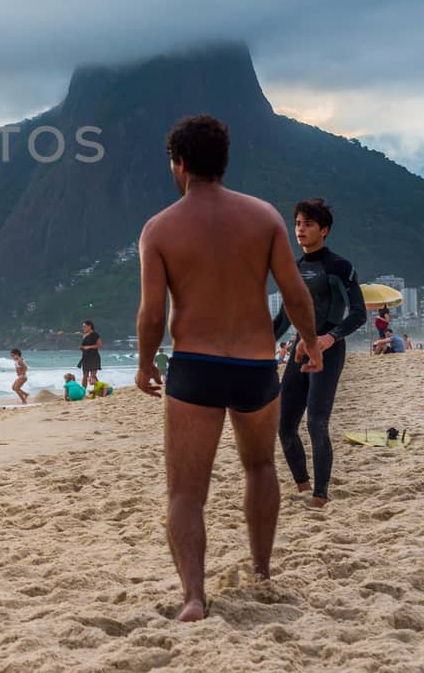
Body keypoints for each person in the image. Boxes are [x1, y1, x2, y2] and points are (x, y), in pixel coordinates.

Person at [135, 115, 322, 623]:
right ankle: (261, 572)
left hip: (194, 367)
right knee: (260, 467)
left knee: (186, 491)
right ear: (224, 162)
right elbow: (295, 293)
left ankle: (194, 598)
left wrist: (146, 362)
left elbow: (153, 312)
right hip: (255, 365)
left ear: (179, 164)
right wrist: (310, 344)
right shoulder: (263, 218)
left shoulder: (159, 229)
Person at [269, 198, 365, 510]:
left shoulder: (340, 267)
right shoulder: (292, 269)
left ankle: (320, 495)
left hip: (329, 348)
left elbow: (359, 314)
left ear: (323, 230)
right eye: (297, 223)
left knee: (317, 421)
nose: (300, 229)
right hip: (300, 349)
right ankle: (303, 484)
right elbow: (283, 320)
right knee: (284, 424)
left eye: (308, 224)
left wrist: (329, 338)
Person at [80, 321, 103, 387]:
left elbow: (100, 345)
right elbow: (85, 346)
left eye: (85, 326)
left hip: (94, 356)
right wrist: (82, 348)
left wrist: (89, 347)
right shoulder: (84, 335)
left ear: (90, 326)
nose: (83, 328)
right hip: (85, 357)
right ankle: (83, 392)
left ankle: (100, 389)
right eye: (83, 327)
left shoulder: (95, 334)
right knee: (85, 376)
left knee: (92, 376)